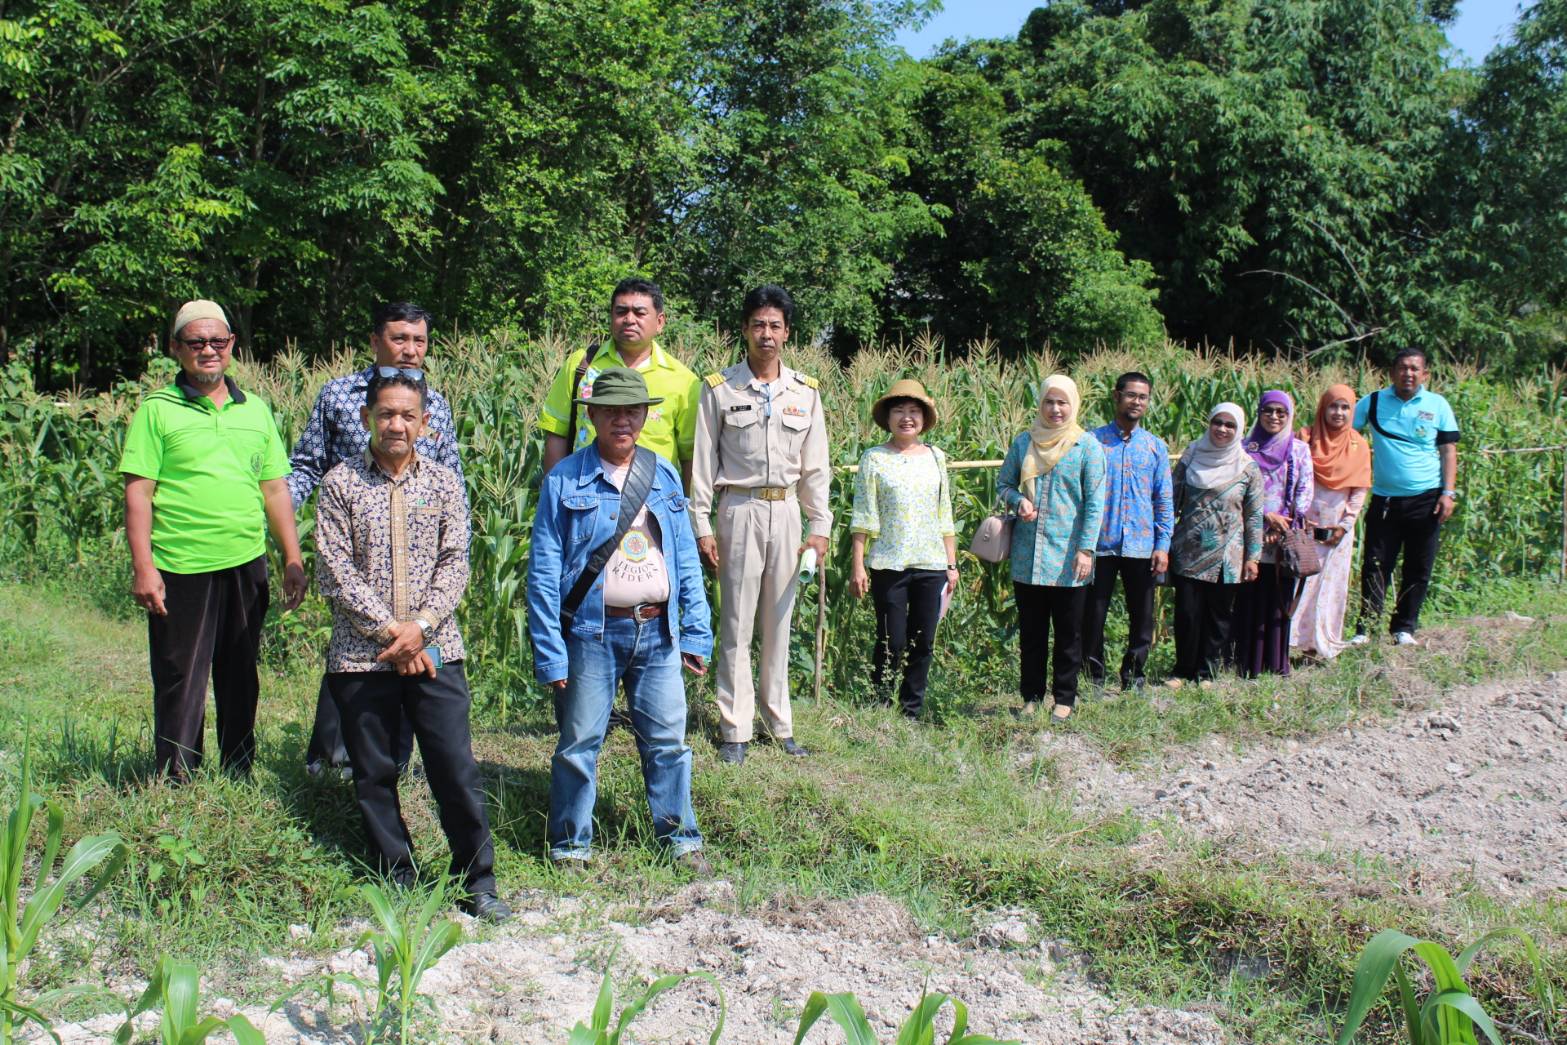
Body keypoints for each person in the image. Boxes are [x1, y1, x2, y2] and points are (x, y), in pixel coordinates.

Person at [314, 370, 509, 921]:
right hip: (361, 654)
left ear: (425, 424)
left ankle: (477, 881)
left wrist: (418, 628)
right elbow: (335, 569)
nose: (395, 424)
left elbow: (456, 563)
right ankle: (396, 873)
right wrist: (393, 636)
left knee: (454, 768)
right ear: (366, 419)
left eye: (407, 416)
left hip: (436, 649)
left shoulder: (445, 484)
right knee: (374, 772)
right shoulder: (340, 485)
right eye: (385, 414)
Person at [526, 368, 713, 873]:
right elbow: (543, 570)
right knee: (579, 743)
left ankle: (681, 840)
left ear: (645, 415)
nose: (623, 421)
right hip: (592, 632)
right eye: (611, 411)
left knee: (669, 743)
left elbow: (685, 561)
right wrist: (550, 650)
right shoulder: (564, 479)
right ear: (591, 415)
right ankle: (570, 846)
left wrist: (696, 629)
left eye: (632, 410)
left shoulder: (665, 475)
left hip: (658, 632)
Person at [118, 299, 307, 780]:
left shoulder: (256, 411)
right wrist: (144, 566)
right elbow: (139, 493)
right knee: (181, 673)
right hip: (181, 563)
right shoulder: (156, 411)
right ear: (176, 348)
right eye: (196, 342)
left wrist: (292, 556)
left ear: (231, 346)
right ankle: (177, 775)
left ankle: (238, 766)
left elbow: (275, 488)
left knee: (240, 671)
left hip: (245, 560)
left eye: (217, 341)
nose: (208, 350)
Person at [289, 302, 461, 779]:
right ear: (375, 341)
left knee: (414, 659)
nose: (410, 349)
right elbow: (308, 463)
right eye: (399, 338)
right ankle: (331, 762)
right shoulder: (339, 395)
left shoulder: (438, 404)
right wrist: (283, 518)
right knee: (354, 654)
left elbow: (452, 475)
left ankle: (395, 762)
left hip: (422, 564)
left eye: (419, 340)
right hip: (358, 555)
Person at [690, 285, 831, 764]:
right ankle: (735, 729)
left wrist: (820, 526)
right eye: (757, 325)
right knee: (736, 623)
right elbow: (702, 464)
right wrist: (703, 526)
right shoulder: (719, 389)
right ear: (744, 331)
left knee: (779, 623)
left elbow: (816, 468)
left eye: (774, 325)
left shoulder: (805, 393)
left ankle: (780, 724)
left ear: (787, 333)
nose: (766, 334)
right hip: (739, 510)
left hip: (788, 513)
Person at [996, 375, 1106, 721]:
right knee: (1032, 633)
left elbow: (1094, 503)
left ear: (1073, 405)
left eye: (1062, 403)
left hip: (1069, 557)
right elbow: (1003, 484)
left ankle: (1064, 698)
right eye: (1049, 402)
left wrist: (1086, 549)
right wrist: (1018, 502)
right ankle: (1031, 696)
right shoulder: (1024, 443)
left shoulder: (1086, 447)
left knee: (1069, 634)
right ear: (1040, 404)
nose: (1055, 409)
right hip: (1028, 556)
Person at [847, 379, 958, 718]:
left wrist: (951, 564)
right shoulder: (874, 458)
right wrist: (858, 564)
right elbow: (864, 514)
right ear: (888, 418)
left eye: (914, 411)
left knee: (923, 641)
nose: (907, 418)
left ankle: (911, 710)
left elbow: (945, 513)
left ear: (923, 417)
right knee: (891, 641)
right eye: (899, 411)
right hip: (888, 563)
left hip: (931, 562)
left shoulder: (936, 457)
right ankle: (880, 702)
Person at [539, 277, 702, 486]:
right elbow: (557, 434)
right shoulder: (582, 365)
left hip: (651, 502)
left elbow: (691, 455)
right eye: (621, 312)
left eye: (640, 313)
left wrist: (688, 513)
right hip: (583, 497)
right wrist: (554, 499)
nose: (629, 319)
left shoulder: (684, 381)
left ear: (660, 322)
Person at [1350, 349, 1460, 647]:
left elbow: (1449, 450)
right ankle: (1365, 628)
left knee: (1418, 565)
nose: (1408, 374)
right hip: (1385, 499)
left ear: (1425, 374)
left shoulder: (1437, 405)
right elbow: (1343, 433)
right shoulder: (1372, 402)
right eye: (1402, 368)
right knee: (1375, 564)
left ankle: (1404, 628)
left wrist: (1448, 493)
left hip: (1427, 499)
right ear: (1392, 372)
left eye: (1414, 369)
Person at [1082, 371, 1174, 693]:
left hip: (1141, 546)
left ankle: (1133, 676)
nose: (1137, 401)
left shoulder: (1155, 448)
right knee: (1092, 616)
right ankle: (1092, 678)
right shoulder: (1092, 443)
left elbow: (1163, 500)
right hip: (1100, 544)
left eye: (1143, 397)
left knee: (1142, 618)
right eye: (1131, 394)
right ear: (1116, 395)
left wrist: (1162, 545)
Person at [1166, 403, 1264, 689]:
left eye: (1230, 425)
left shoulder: (1247, 468)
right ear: (1209, 423)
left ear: (1239, 429)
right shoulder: (1192, 456)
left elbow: (1254, 515)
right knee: (1186, 613)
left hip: (1227, 555)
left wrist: (1252, 557)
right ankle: (1183, 670)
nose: (1222, 429)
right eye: (1217, 422)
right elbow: (1171, 499)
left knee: (1218, 616)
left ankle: (1206, 672)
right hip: (1188, 551)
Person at [1233, 390, 1314, 677]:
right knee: (1250, 598)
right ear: (1259, 413)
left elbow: (1305, 491)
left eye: (1281, 412)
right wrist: (1263, 520)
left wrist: (1285, 525)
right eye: (1269, 411)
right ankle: (1247, 663)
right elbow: (1236, 490)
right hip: (1249, 534)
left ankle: (1276, 662)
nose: (1274, 417)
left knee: (1279, 599)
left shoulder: (1299, 450)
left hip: (1284, 536)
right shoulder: (1244, 449)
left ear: (1289, 415)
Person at [1290, 385, 1372, 659]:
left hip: (1336, 529)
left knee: (1328, 586)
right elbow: (1291, 479)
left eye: (1345, 407)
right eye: (1333, 406)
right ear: (1322, 408)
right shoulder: (1304, 438)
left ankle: (1317, 645)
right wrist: (1296, 519)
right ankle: (1289, 643)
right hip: (1302, 526)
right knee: (1296, 583)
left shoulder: (1358, 445)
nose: (1338, 412)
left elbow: (1359, 491)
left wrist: (1344, 526)